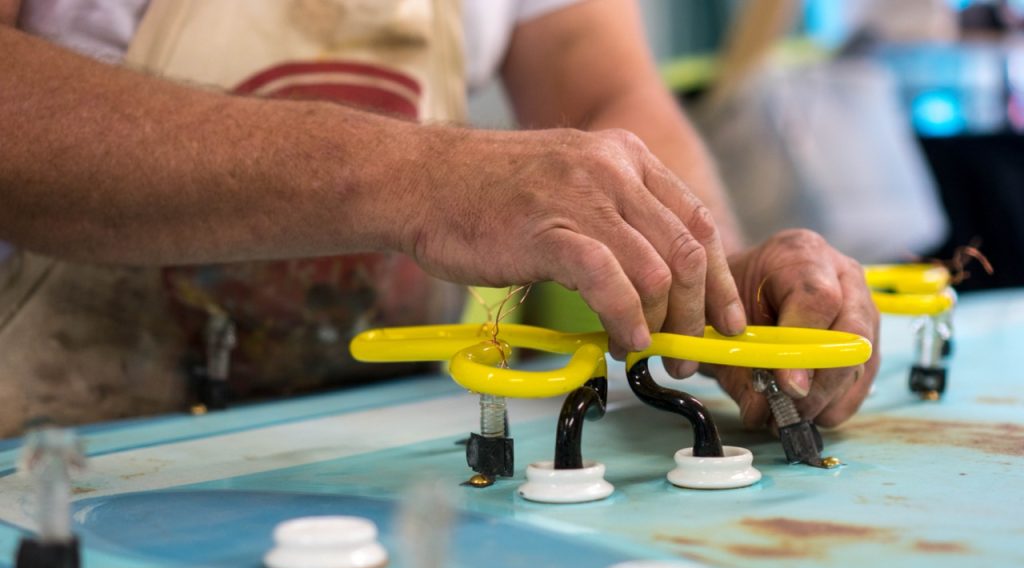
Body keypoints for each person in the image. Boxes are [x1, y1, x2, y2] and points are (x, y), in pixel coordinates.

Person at [0, 0, 879, 438]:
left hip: (377, 448)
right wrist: (424, 177)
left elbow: (607, 92)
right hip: (67, 454)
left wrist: (711, 276)